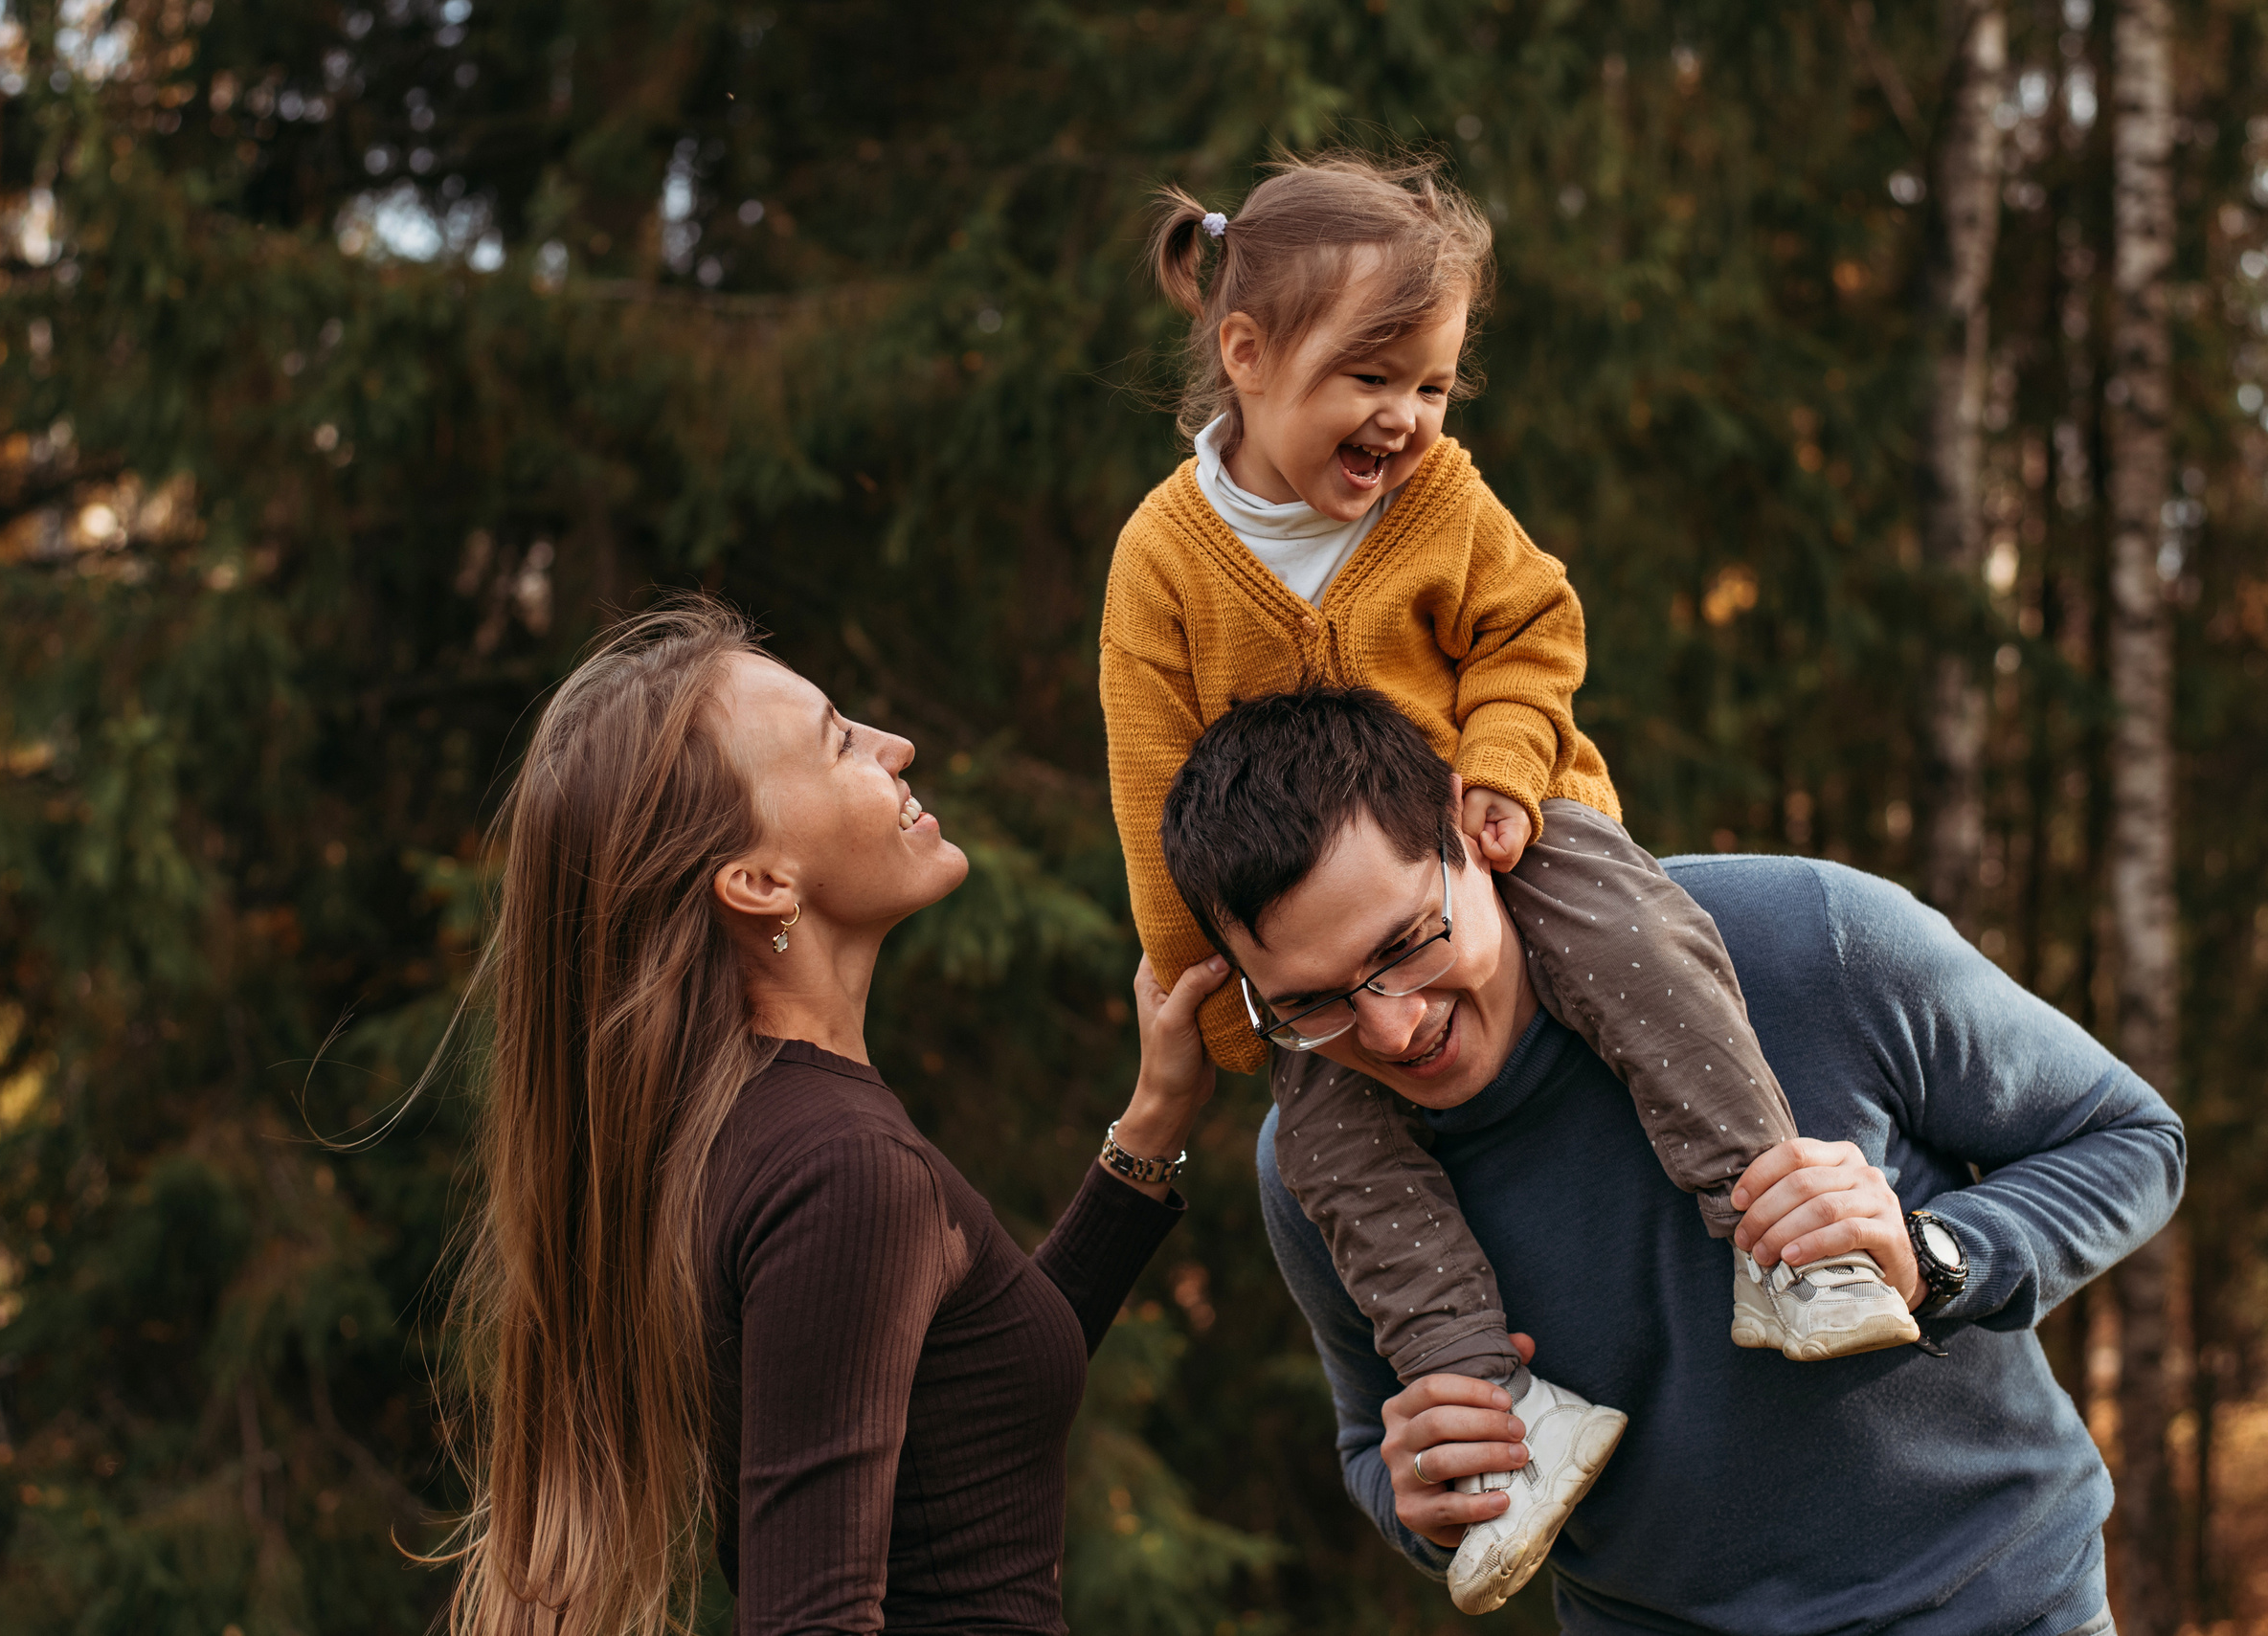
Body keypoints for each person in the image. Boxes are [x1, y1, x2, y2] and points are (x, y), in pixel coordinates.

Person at [1099, 151, 1913, 1610]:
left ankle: (1775, 1228)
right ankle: (1499, 1410)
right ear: (1246, 353)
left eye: (1434, 386)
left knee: (1647, 954)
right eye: (1372, 380)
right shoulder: (1166, 556)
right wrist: (1220, 1006)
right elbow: (1154, 780)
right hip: (1321, 941)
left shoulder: (1440, 497)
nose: (1405, 420)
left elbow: (1533, 622)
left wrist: (1506, 763)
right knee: (1344, 1161)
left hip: (1502, 840)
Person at [1157, 684, 2182, 1634]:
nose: (1389, 1029)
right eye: (1311, 1003)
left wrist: (1934, 1257)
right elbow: (1367, 1443)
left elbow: (2132, 1139)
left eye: (1405, 945)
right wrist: (1421, 1499)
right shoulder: (1313, 1171)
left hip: (1998, 1605)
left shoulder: (1804, 938)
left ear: (1474, 829)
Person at [431, 598, 1228, 1636]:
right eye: (838, 740)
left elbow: (969, 1412)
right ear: (759, 883)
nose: (895, 747)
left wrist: (1154, 1121)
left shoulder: (767, 1133)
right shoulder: (840, 1165)